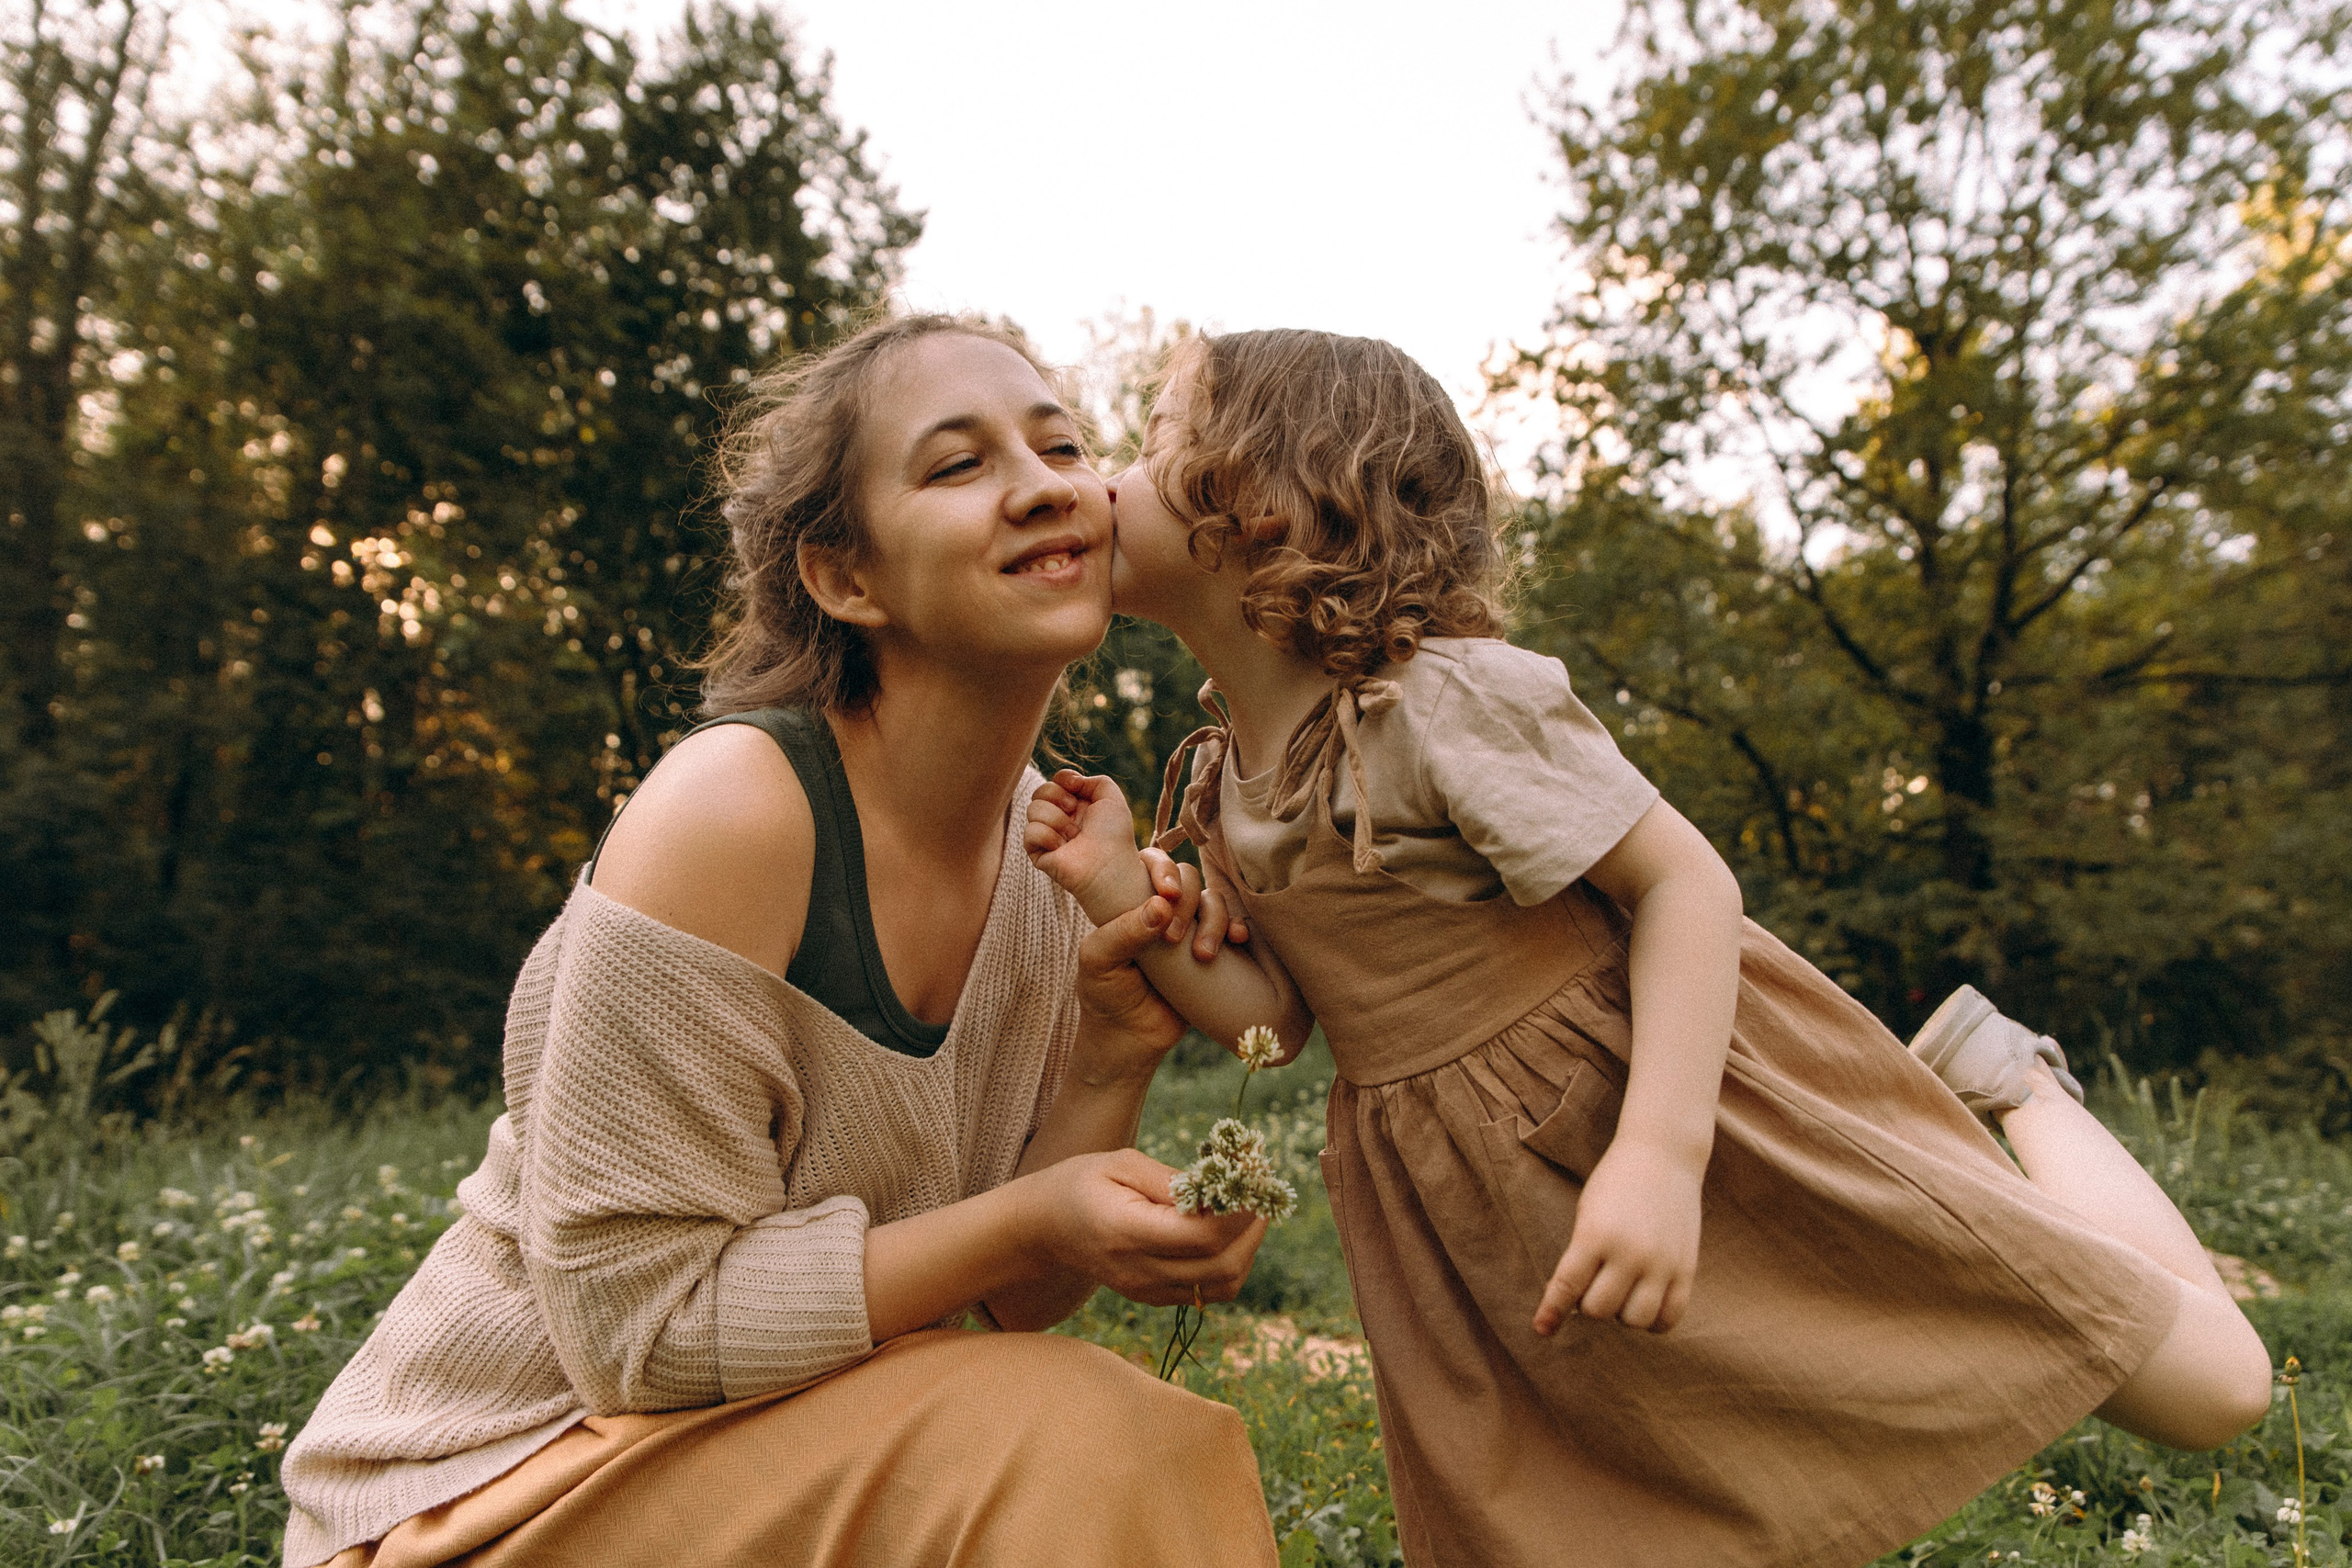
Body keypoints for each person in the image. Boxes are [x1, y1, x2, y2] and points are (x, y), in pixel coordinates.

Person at [1022, 327, 2277, 1568]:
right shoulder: (1225, 773)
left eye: (1154, 442)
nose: (1110, 478)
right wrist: (1118, 883)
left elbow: (1684, 883)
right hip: (1469, 1202)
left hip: (1671, 1112)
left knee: (2214, 1392)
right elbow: (1278, 1022)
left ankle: (2018, 1086)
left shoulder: (1443, 704)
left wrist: (1660, 1158)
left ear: (1271, 501)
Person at [279, 315, 1288, 1568]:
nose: (1043, 486)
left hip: (769, 1440)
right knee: (1086, 1436)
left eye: (1063, 447)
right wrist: (1034, 1218)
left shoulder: (1046, 853)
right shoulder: (735, 813)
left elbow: (1015, 1301)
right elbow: (637, 1338)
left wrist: (1111, 1053)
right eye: (959, 464)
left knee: (1074, 1430)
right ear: (845, 579)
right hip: (491, 1487)